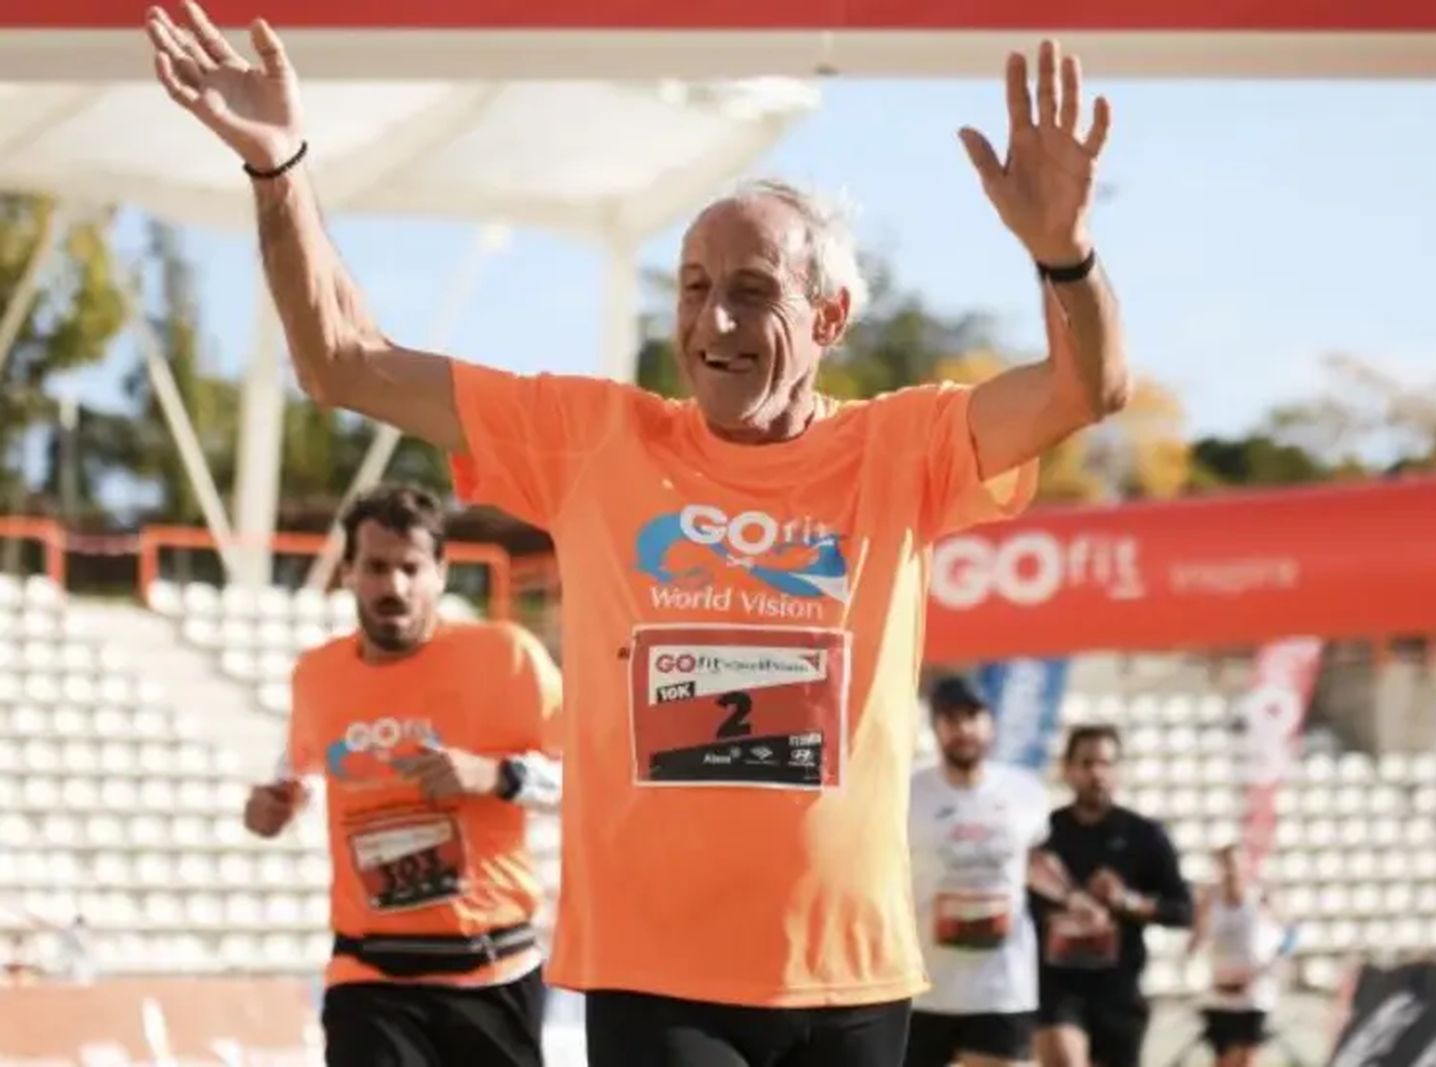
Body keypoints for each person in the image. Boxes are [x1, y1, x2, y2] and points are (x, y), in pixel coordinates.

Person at [144, 4, 1130, 1061]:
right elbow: (342, 358)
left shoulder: (905, 445)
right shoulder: (593, 438)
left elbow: (1088, 387)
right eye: (694, 289)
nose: (713, 323)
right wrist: (279, 167)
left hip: (849, 973)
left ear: (829, 317)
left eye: (753, 292)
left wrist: (1064, 256)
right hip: (658, 977)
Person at [242, 483, 564, 1067]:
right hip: (369, 972)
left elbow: (588, 780)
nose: (394, 587)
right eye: (376, 567)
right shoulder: (317, 675)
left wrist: (499, 775)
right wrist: (275, 806)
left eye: (411, 568)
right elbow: (300, 770)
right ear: (347, 572)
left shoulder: (507, 657)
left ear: (441, 573)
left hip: (491, 970)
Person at [905, 676, 1052, 1067]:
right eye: (951, 719)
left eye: (972, 716)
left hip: (1001, 988)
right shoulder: (908, 793)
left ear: (991, 722)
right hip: (924, 987)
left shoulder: (1027, 793)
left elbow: (1042, 866)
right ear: (936, 727)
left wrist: (1074, 898)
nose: (963, 729)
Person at [1028, 725, 1192, 1067]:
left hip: (1119, 988)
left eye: (1106, 763)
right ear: (1067, 769)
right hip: (1058, 984)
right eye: (1086, 763)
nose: (1096, 774)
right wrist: (1060, 908)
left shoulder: (1144, 835)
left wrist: (1126, 901)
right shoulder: (1044, 833)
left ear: (1120, 770)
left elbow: (1182, 910)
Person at [1184, 845, 1288, 1067]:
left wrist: (1264, 970)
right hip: (1219, 991)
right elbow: (1195, 943)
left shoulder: (1262, 896)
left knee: (1248, 1056)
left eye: (1236, 864)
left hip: (1254, 992)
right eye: (1226, 865)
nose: (1232, 871)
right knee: (1224, 1057)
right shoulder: (1208, 900)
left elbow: (1288, 937)